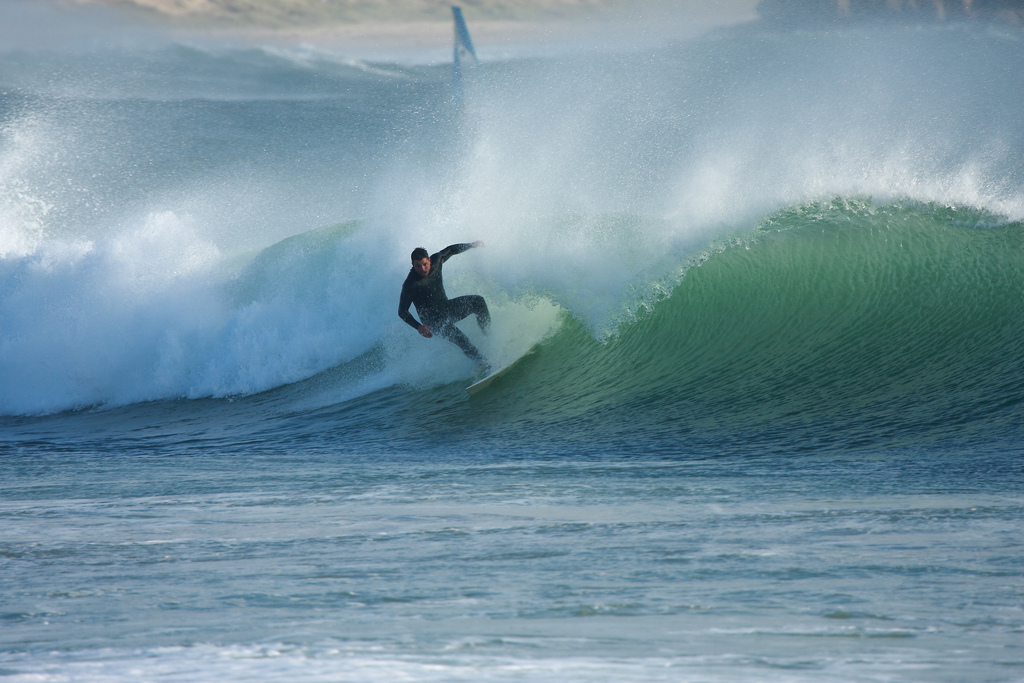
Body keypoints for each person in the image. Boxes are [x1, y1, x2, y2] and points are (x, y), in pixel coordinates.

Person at [398, 241, 491, 368]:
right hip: (433, 322)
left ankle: (490, 336)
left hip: (446, 308)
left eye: (425, 264)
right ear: (412, 265)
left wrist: (472, 245)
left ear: (429, 260)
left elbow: (451, 250)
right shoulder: (410, 285)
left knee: (478, 301)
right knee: (461, 339)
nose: (422, 269)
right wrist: (419, 327)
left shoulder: (437, 261)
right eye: (418, 266)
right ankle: (483, 363)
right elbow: (402, 311)